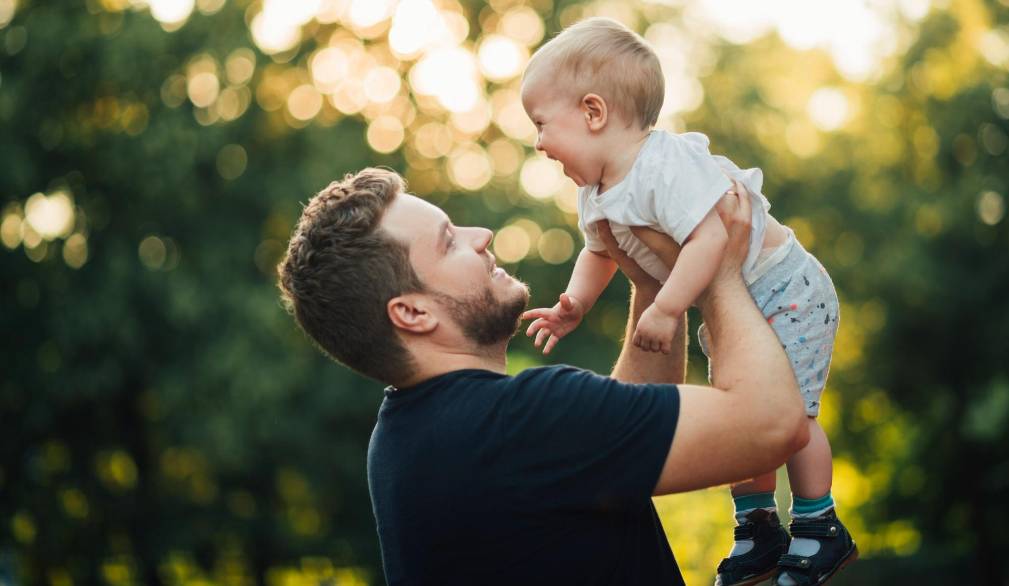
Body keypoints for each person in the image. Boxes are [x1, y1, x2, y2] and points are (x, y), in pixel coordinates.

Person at [277, 166, 809, 585]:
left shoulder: (408, 439)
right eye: (449, 242)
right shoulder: (521, 420)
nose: (481, 235)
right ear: (413, 313)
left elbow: (615, 436)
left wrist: (652, 288)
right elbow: (772, 424)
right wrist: (717, 268)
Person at [518, 16, 857, 586]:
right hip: (738, 305)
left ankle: (819, 523)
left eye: (541, 123)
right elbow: (599, 253)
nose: (538, 142)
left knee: (792, 412)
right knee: (739, 409)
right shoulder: (593, 193)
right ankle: (758, 527)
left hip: (785, 288)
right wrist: (575, 302)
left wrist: (668, 308)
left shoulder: (663, 166)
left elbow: (711, 240)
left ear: (593, 112)